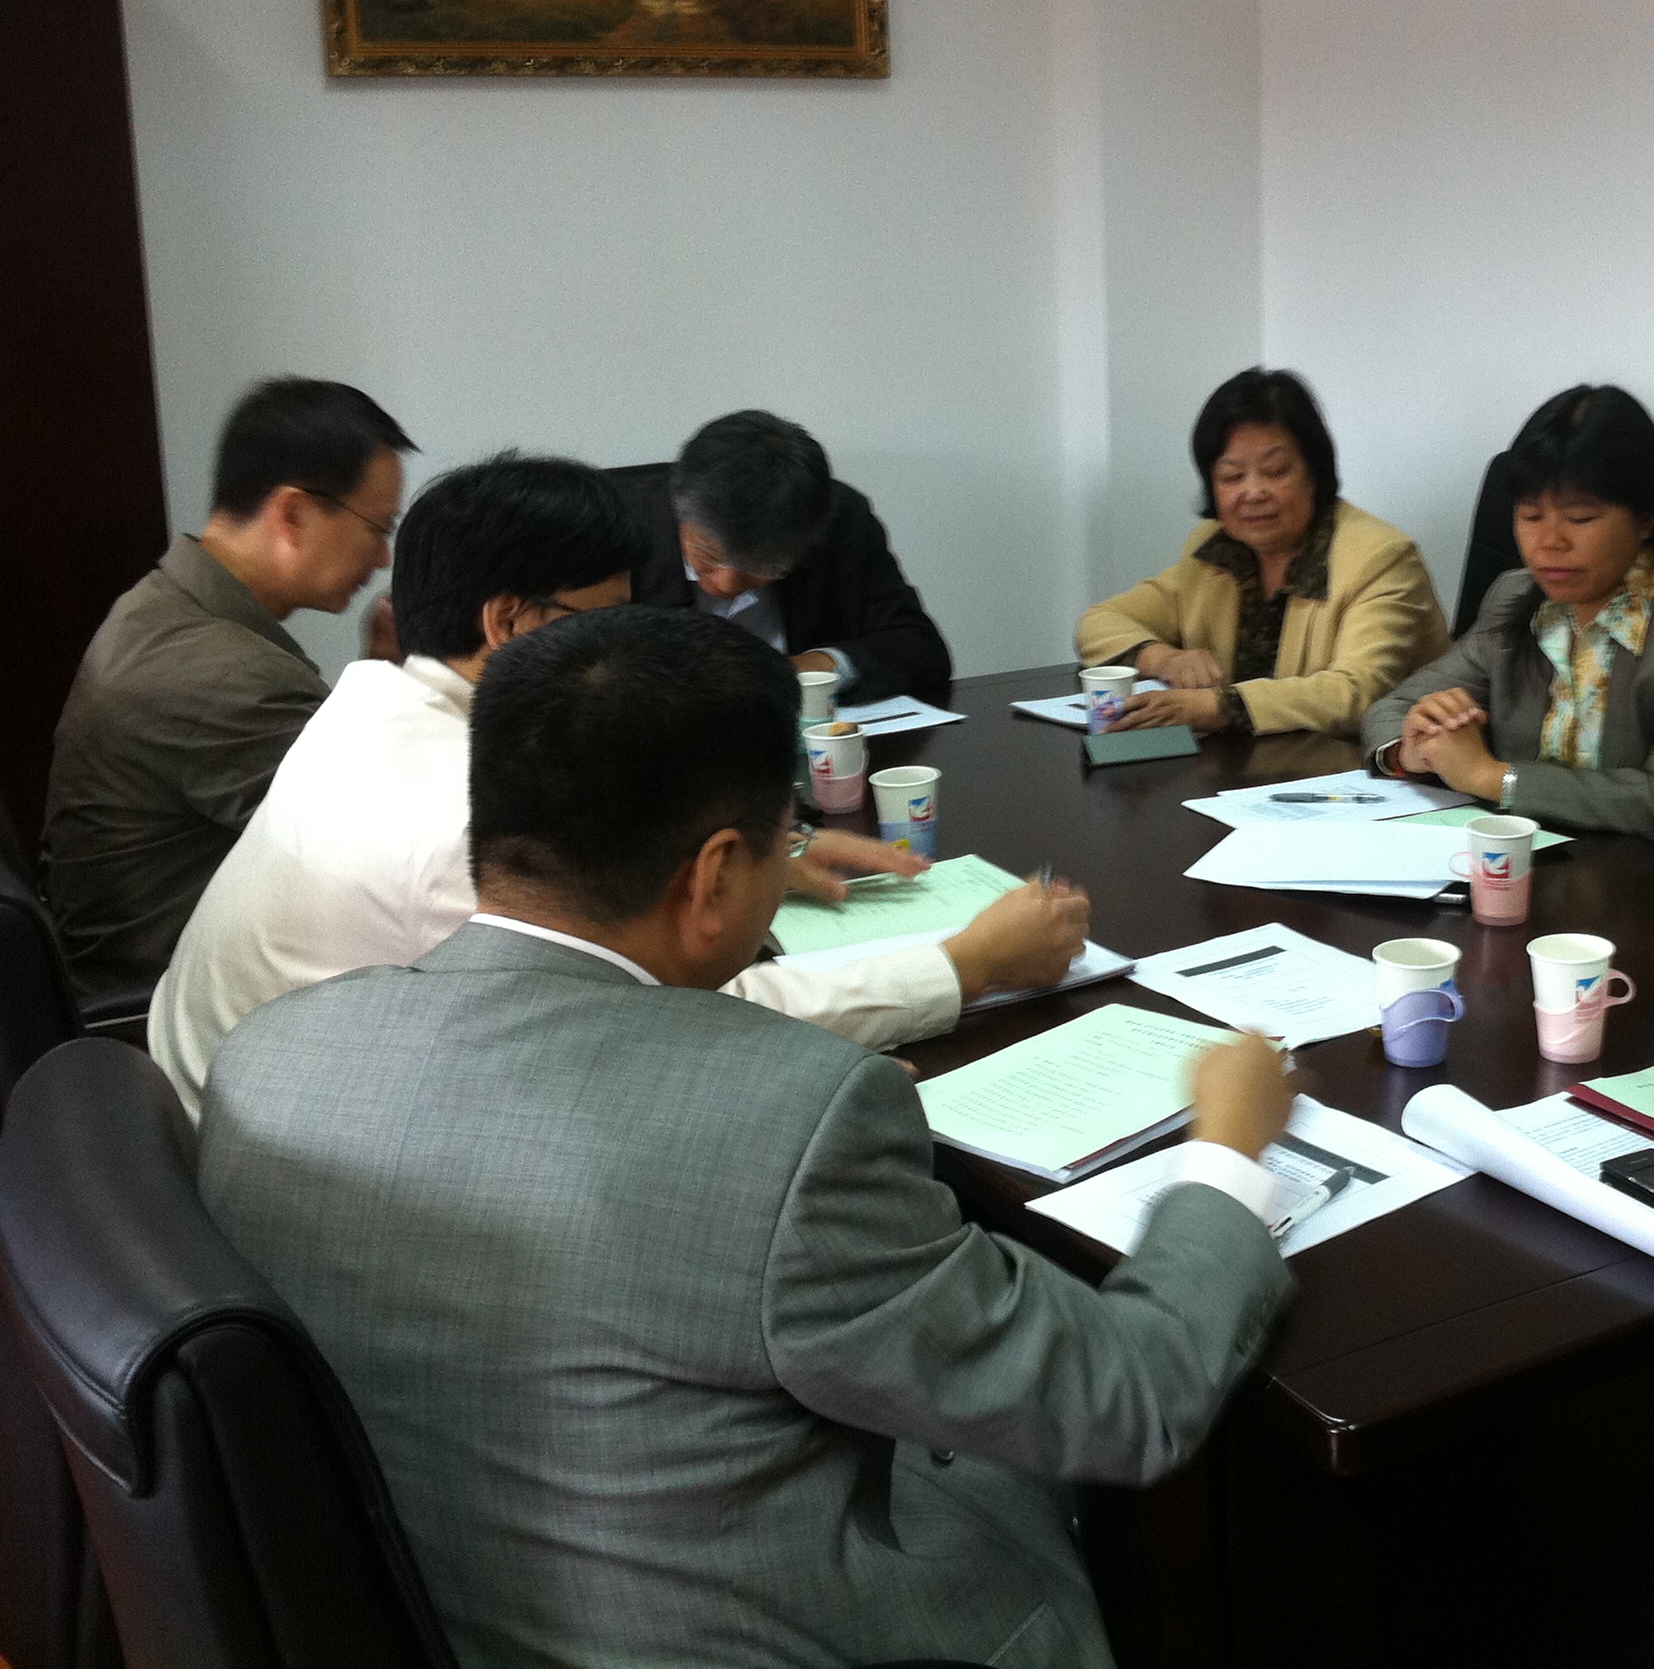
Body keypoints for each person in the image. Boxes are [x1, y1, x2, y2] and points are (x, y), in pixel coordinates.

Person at [196, 606, 1295, 1669]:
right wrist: (1226, 1156)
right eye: (783, 839)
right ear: (716, 874)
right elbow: (1131, 1397)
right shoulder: (792, 1131)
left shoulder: (268, 1056)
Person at [149, 452, 1081, 1119]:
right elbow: (678, 1027)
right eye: (604, 623)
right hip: (286, 1191)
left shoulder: (375, 709)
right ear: (511, 623)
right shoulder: (459, 826)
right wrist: (966, 964)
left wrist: (774, 851)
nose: (622, 652)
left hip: (271, 1119)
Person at [42, 376, 415, 1005]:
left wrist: (383, 669)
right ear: (292, 514)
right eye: (379, 527)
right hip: (164, 1004)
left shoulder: (163, 606)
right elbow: (396, 848)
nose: (383, 558)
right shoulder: (226, 675)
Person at [1361, 386, 1654, 850]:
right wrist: (1414, 750)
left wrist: (1492, 777)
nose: (1550, 542)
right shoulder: (1516, 597)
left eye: (1581, 518)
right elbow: (1393, 707)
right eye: (1531, 516)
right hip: (1553, 856)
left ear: (1646, 519)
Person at [1076, 369, 1448, 738]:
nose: (1253, 493)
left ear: (1314, 472)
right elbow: (1100, 621)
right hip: (1251, 763)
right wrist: (1164, 659)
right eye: (1232, 477)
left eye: (1275, 471)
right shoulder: (1214, 550)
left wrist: (1218, 706)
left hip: (1364, 761)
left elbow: (1357, 692)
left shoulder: (1380, 557)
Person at [613, 409, 951, 705]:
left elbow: (919, 648)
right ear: (679, 510)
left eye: (764, 567)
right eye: (709, 555)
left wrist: (806, 670)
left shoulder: (840, 521)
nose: (728, 585)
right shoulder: (614, 526)